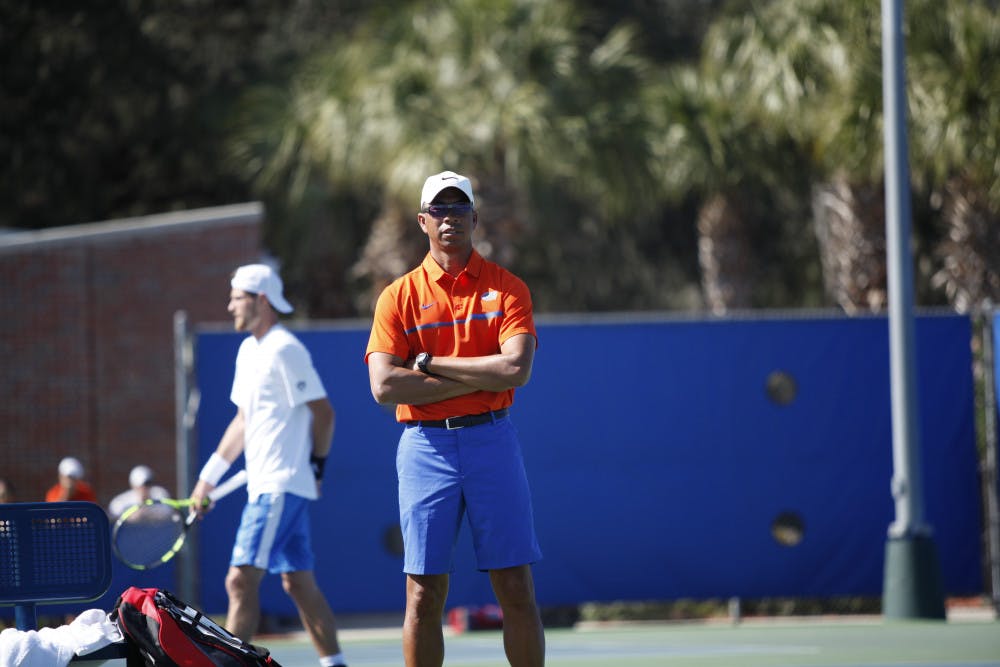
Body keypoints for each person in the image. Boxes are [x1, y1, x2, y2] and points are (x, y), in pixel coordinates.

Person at [365, 170, 545, 667]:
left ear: (474, 218)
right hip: (425, 447)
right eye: (439, 210)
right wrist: (481, 379)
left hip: (492, 441)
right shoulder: (397, 296)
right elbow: (383, 385)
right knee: (423, 592)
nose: (450, 219)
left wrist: (427, 363)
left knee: (515, 586)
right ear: (423, 221)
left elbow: (516, 369)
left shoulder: (507, 288)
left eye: (459, 209)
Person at [188, 263, 348, 667]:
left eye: (236, 297)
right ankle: (336, 664)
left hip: (280, 485)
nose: (230, 306)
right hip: (269, 485)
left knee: (239, 580)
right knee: (299, 583)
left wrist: (316, 466)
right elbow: (242, 421)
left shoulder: (285, 348)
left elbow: (324, 412)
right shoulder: (248, 350)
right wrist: (207, 479)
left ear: (260, 300)